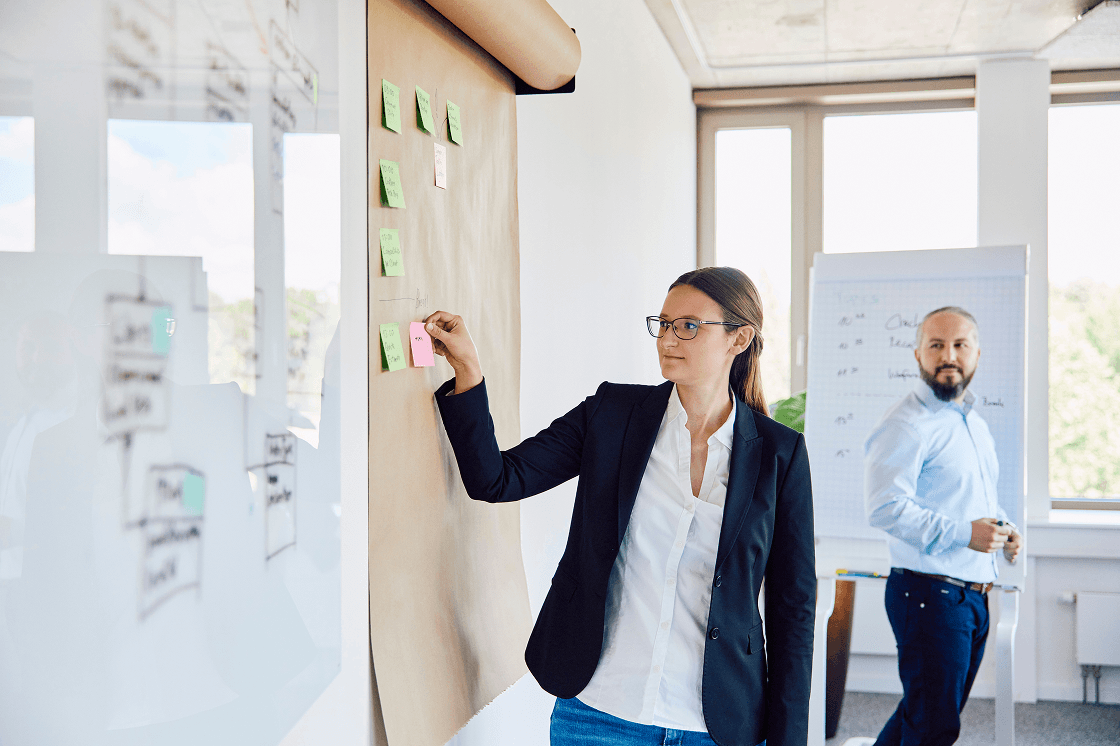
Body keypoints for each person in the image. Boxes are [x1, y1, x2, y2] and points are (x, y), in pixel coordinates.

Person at [425, 267, 816, 746]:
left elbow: (792, 609)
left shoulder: (781, 454)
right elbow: (497, 479)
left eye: (689, 326)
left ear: (739, 339)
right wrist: (469, 371)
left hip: (714, 726)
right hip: (599, 713)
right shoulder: (611, 415)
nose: (668, 338)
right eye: (664, 323)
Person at [864, 306, 1022, 746]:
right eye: (936, 345)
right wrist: (964, 534)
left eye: (959, 345)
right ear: (917, 354)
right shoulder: (906, 423)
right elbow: (884, 507)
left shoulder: (972, 421)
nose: (948, 355)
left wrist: (1004, 528)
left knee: (925, 715)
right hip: (929, 596)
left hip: (970, 598)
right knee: (934, 727)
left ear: (976, 354)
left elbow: (974, 499)